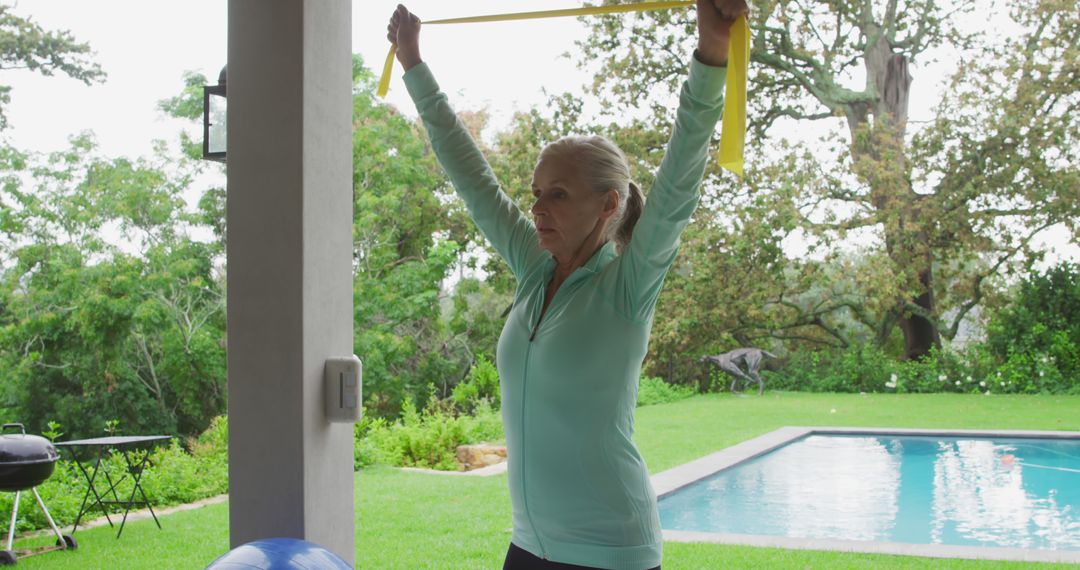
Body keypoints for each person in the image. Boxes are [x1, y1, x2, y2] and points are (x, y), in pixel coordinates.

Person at [387, 2, 747, 568]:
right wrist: (413, 64)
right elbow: (471, 176)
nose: (536, 207)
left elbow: (679, 177)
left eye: (558, 194)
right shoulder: (533, 270)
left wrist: (712, 50)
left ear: (608, 205)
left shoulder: (628, 285)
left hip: (611, 549)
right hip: (529, 545)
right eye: (535, 192)